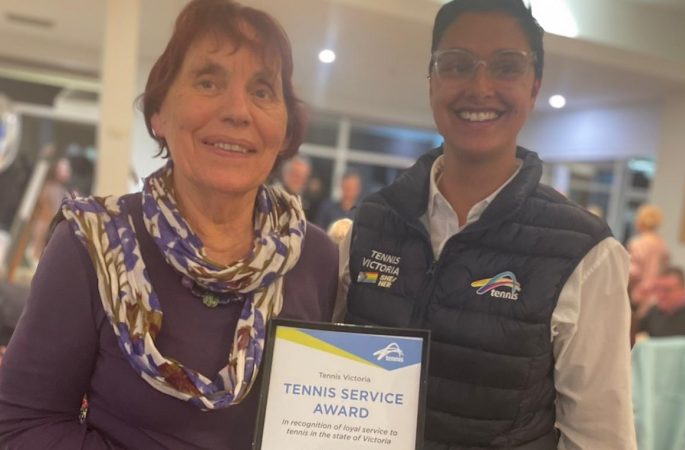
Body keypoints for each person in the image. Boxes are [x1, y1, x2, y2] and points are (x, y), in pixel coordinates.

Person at [0, 1, 338, 448]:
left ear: (286, 130)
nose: (238, 110)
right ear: (159, 113)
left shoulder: (315, 259)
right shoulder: (93, 244)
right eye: (208, 82)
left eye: (262, 91)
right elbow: (22, 424)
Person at [336, 0, 636, 448]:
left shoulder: (584, 253)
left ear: (534, 87)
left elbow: (599, 438)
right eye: (457, 65)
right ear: (431, 79)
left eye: (506, 67)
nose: (480, 88)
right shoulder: (373, 222)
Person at [627, 204, 669, 315]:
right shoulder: (662, 244)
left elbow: (633, 272)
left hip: (639, 296)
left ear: (641, 221)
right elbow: (665, 270)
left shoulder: (637, 243)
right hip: (656, 296)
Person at [638, 266, 685, 338]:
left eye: (667, 290)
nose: (661, 295)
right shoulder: (653, 312)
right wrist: (637, 302)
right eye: (658, 289)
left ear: (683, 289)